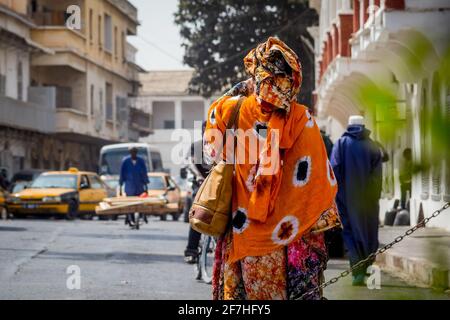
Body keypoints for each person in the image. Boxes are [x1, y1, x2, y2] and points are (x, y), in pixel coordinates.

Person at [205, 37, 340, 300]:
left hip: (243, 235)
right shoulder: (303, 120)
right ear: (293, 79)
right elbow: (320, 182)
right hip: (290, 238)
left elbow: (211, 148)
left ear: (256, 76)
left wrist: (237, 90)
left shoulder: (233, 109)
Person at [330, 115, 382, 286]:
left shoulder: (341, 144)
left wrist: (335, 195)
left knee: (350, 232)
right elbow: (377, 176)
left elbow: (334, 169)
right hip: (368, 200)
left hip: (346, 198)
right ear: (363, 126)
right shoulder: (373, 146)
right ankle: (367, 265)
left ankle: (357, 271)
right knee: (368, 231)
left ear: (349, 126)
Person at [184, 121, 212, 263]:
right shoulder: (197, 146)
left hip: (216, 186)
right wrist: (199, 176)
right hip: (200, 184)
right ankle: (191, 250)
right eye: (204, 129)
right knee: (198, 215)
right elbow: (190, 163)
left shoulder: (221, 145)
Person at [119, 146, 149, 226]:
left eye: (135, 152)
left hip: (139, 186)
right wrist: (120, 186)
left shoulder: (141, 161)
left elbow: (144, 173)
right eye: (132, 152)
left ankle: (139, 218)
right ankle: (130, 219)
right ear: (130, 153)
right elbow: (122, 174)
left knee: (139, 203)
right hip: (129, 186)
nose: (133, 154)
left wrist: (146, 186)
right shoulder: (125, 161)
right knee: (130, 204)